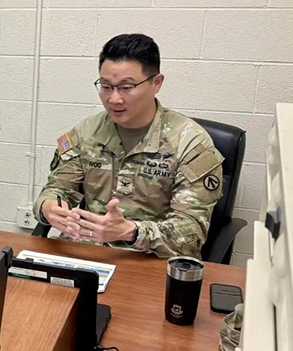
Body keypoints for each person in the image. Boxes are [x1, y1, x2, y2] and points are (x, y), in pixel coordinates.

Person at [33, 34, 224, 259]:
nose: (114, 99)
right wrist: (49, 209)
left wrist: (131, 232)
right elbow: (58, 188)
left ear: (157, 83)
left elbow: (191, 232)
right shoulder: (87, 132)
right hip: (88, 254)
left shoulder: (190, 143)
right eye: (106, 86)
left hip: (151, 261)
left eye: (126, 87)